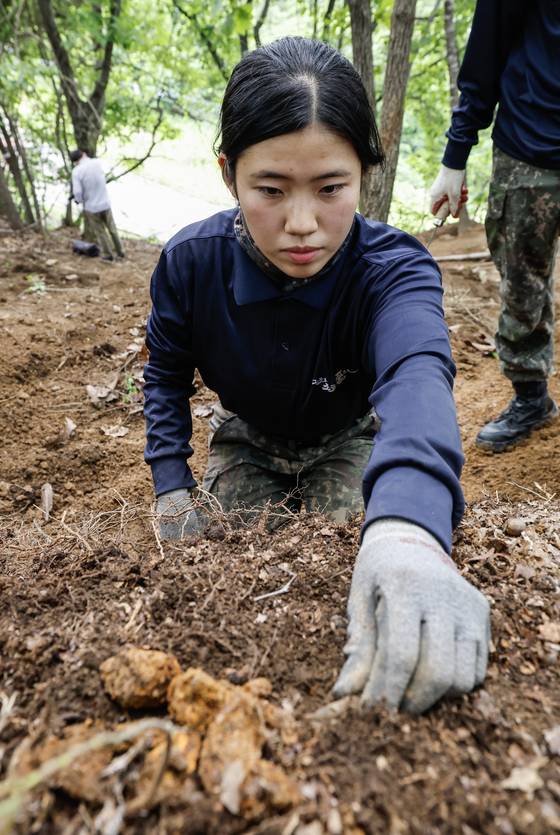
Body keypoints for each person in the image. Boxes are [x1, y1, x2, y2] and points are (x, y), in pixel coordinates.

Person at [144, 37, 490, 715]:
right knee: (233, 576)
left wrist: (411, 527)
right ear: (228, 174)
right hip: (248, 434)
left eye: (331, 189)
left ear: (365, 173)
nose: (301, 225)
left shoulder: (393, 271)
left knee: (355, 564)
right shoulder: (191, 265)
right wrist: (169, 485)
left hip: (347, 434)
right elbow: (164, 375)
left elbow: (418, 372)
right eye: (269, 190)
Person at [430, 0, 560, 452]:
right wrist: (455, 158)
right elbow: (484, 57)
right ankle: (531, 398)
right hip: (528, 147)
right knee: (522, 282)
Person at [70, 149, 125, 262]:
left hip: (91, 207)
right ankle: (120, 252)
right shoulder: (97, 163)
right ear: (84, 154)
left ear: (75, 161)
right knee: (112, 229)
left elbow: (78, 192)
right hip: (105, 202)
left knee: (101, 232)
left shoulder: (77, 171)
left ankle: (108, 255)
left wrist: (78, 200)